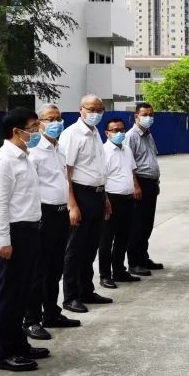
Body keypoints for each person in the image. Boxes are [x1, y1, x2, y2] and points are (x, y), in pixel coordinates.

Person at [0, 107, 50, 372]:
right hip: (13, 233)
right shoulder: (3, 161)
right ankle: (4, 353)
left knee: (23, 293)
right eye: (34, 127)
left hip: (30, 230)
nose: (37, 132)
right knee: (9, 295)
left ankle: (19, 344)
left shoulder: (25, 157)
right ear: (17, 131)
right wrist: (4, 241)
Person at [24, 104, 82, 342]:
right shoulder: (34, 151)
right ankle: (31, 320)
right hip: (43, 215)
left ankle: (51, 312)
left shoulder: (59, 149)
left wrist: (70, 206)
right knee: (39, 270)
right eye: (50, 119)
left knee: (55, 268)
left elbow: (65, 181)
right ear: (38, 123)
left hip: (60, 214)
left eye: (59, 118)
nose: (56, 122)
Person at [60, 94, 113, 313]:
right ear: (80, 109)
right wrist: (72, 204)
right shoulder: (72, 134)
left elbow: (98, 169)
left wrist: (106, 198)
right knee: (75, 249)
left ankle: (86, 290)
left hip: (97, 194)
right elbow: (66, 171)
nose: (96, 114)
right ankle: (71, 296)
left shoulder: (94, 133)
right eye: (91, 109)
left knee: (91, 246)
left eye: (99, 110)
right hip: (80, 194)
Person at [101, 118, 144, 288]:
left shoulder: (126, 150)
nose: (118, 133)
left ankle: (119, 270)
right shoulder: (103, 152)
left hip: (128, 198)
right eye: (114, 130)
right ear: (107, 133)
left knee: (123, 237)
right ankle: (105, 275)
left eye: (121, 130)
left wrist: (136, 186)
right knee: (106, 239)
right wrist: (105, 200)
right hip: (111, 199)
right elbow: (100, 178)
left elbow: (131, 171)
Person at [126, 103, 164, 274]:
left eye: (151, 114)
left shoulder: (148, 135)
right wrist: (135, 185)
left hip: (150, 183)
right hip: (139, 183)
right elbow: (128, 164)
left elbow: (150, 158)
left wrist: (155, 182)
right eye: (145, 114)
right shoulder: (131, 136)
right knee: (137, 225)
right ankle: (134, 262)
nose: (149, 117)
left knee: (147, 224)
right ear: (136, 116)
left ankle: (143, 257)